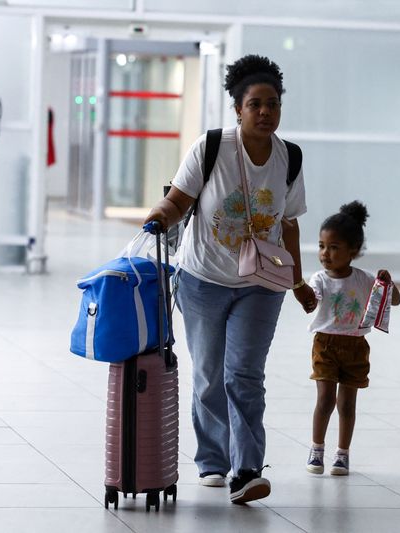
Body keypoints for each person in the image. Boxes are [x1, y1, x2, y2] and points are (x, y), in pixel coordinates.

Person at [143, 54, 317, 504]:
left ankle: (247, 469)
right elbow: (178, 200)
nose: (265, 112)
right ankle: (212, 462)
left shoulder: (289, 157)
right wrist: (159, 217)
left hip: (261, 283)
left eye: (273, 104)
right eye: (255, 104)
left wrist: (297, 281)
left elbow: (291, 222)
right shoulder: (212, 147)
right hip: (203, 276)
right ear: (238, 108)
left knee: (244, 374)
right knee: (207, 373)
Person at [304, 201, 400, 476]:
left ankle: (342, 454)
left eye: (334, 247)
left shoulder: (364, 279)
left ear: (353, 251)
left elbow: (394, 300)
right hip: (325, 344)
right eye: (322, 246)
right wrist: (305, 296)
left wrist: (388, 283)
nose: (325, 253)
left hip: (356, 346)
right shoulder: (320, 279)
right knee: (325, 400)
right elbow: (313, 300)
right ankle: (317, 449)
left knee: (347, 404)